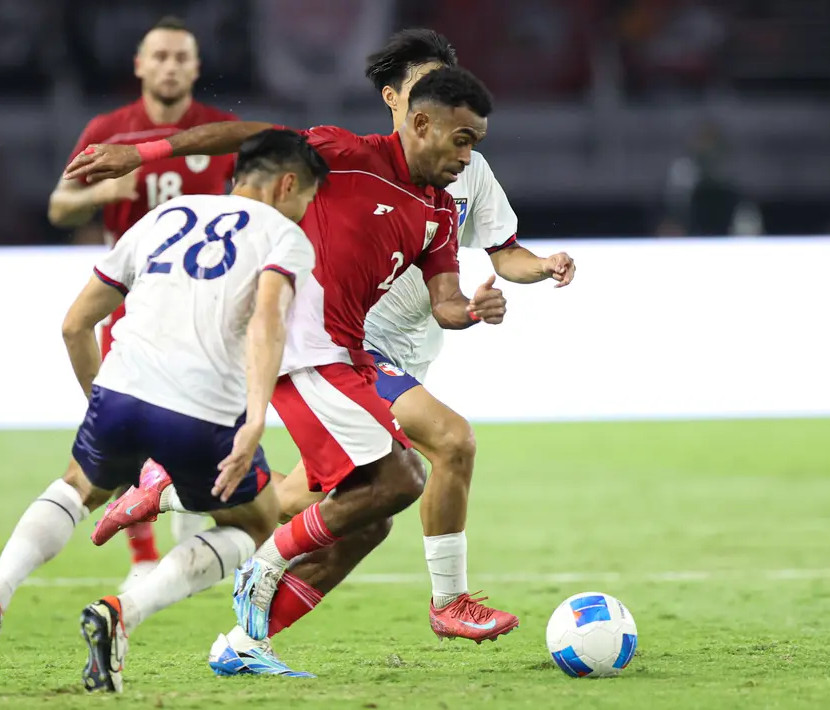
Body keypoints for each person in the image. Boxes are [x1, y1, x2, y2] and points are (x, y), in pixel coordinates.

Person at [66, 66, 507, 678]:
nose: (467, 157)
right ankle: (268, 566)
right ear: (420, 123)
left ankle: (240, 629)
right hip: (305, 345)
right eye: (461, 140)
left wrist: (476, 310)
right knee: (406, 475)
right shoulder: (343, 152)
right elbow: (243, 136)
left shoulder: (439, 211)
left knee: (367, 520)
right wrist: (139, 154)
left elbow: (445, 302)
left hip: (346, 355)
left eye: (476, 144)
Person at [202, 29, 579, 673]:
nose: (461, 142)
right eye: (420, 90)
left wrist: (536, 268)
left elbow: (487, 264)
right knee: (449, 444)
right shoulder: (346, 159)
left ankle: (218, 578)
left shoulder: (460, 180)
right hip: (354, 349)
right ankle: (449, 600)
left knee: (327, 504)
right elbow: (261, 168)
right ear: (401, 103)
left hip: (412, 350)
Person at [0, 129, 326, 685]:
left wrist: (101, 403)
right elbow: (269, 319)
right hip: (203, 410)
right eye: (306, 199)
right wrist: (253, 419)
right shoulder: (284, 237)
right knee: (254, 522)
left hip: (122, 390)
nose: (303, 211)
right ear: (286, 184)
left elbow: (75, 324)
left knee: (79, 485)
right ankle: (122, 613)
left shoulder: (163, 217)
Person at [47, 15, 239, 586]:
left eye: (182, 58)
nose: (171, 66)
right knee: (126, 433)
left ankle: (189, 519)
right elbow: (59, 206)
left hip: (207, 309)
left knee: (208, 425)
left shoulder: (219, 131)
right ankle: (142, 561)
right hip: (131, 307)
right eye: (160, 57)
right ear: (139, 65)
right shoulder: (111, 129)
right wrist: (105, 189)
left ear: (196, 68)